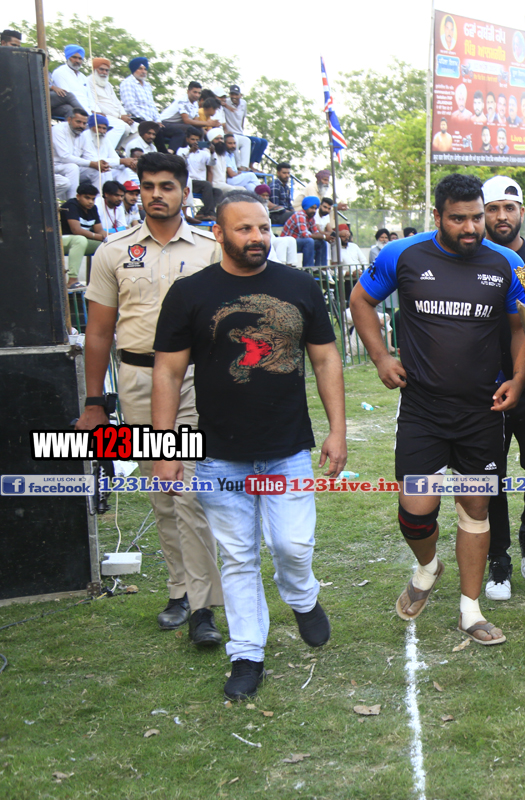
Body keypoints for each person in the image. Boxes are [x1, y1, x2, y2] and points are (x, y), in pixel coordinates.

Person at [151, 191, 344, 700]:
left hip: (287, 449)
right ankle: (247, 655)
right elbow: (167, 373)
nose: (257, 237)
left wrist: (337, 430)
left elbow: (326, 359)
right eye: (244, 229)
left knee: (292, 547)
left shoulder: (299, 285)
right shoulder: (190, 293)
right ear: (218, 233)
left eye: (263, 228)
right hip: (218, 456)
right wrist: (164, 448)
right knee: (238, 558)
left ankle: (302, 597)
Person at [349, 174, 525, 646]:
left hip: (481, 413)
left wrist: (517, 378)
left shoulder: (506, 262)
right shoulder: (403, 255)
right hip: (423, 411)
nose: (471, 228)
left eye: (477, 217)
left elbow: (520, 328)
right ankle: (428, 567)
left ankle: (471, 610)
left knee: (475, 508)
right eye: (458, 219)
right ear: (437, 216)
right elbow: (360, 300)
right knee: (416, 512)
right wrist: (380, 357)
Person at [78, 151, 224, 643]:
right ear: (137, 190)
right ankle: (179, 589)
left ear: (185, 192)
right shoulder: (112, 252)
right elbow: (99, 332)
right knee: (162, 490)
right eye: (147, 186)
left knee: (190, 490)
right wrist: (94, 401)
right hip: (138, 378)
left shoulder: (210, 249)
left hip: (196, 380)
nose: (156, 195)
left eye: (166, 186)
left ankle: (202, 605)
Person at [479, 176, 525, 601]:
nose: (501, 216)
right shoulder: (470, 259)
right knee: (489, 477)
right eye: (493, 208)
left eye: (509, 208)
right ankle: (498, 558)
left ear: (522, 212)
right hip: (483, 391)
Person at [59, 183, 104, 286]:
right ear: (78, 196)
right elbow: (76, 230)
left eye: (93, 199)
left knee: (108, 244)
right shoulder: (71, 205)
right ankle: (72, 280)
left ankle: (105, 281)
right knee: (80, 239)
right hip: (61, 241)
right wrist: (98, 236)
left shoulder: (93, 208)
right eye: (87, 198)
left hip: (80, 242)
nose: (90, 202)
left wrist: (113, 237)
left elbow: (99, 230)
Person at [52, 109, 100, 200]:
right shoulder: (58, 130)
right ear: (69, 120)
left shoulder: (82, 134)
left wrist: (98, 164)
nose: (81, 126)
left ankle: (97, 203)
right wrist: (91, 163)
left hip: (73, 168)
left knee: (97, 171)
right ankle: (73, 202)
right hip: (55, 168)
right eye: (78, 122)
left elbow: (89, 155)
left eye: (84, 123)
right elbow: (64, 157)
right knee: (72, 167)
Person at [88, 57, 134, 150]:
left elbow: (117, 102)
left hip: (115, 116)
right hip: (101, 114)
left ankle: (115, 151)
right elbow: (96, 103)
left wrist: (124, 115)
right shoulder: (89, 82)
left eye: (106, 70)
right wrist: (119, 116)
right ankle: (103, 152)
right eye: (101, 69)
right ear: (94, 69)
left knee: (136, 129)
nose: (104, 72)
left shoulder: (108, 85)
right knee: (120, 126)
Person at [160, 82, 217, 152]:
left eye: (199, 93)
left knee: (199, 130)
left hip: (177, 124)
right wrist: (207, 123)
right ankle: (184, 151)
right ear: (188, 91)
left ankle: (201, 150)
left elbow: (196, 121)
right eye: (195, 92)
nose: (197, 95)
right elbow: (186, 121)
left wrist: (208, 125)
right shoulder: (182, 101)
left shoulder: (195, 104)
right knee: (189, 128)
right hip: (164, 123)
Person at [177, 130, 216, 220]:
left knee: (218, 192)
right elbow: (180, 162)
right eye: (192, 139)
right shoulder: (182, 150)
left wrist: (213, 152)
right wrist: (189, 152)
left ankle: (201, 212)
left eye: (197, 140)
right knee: (207, 185)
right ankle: (209, 213)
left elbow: (212, 163)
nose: (195, 142)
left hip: (201, 184)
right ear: (187, 139)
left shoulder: (204, 153)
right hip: (188, 182)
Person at [281, 197, 329, 267]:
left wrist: (326, 237)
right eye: (312, 208)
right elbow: (305, 234)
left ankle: (320, 269)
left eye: (315, 209)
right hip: (288, 243)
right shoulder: (300, 215)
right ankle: (308, 268)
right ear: (306, 207)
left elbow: (316, 232)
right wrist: (324, 236)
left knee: (322, 242)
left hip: (298, 242)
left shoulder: (311, 218)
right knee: (309, 241)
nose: (314, 211)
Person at [49, 44, 93, 120]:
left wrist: (95, 111)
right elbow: (66, 96)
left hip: (88, 110)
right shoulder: (59, 72)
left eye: (80, 58)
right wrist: (85, 113)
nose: (77, 61)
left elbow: (90, 97)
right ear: (68, 57)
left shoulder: (83, 76)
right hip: (75, 107)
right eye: (74, 57)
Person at [80, 114, 119, 191]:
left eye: (104, 128)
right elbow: (92, 159)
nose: (101, 131)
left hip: (101, 168)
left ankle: (115, 196)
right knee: (102, 170)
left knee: (122, 171)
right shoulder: (84, 136)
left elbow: (115, 158)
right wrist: (121, 161)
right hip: (83, 169)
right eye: (98, 127)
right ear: (91, 127)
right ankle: (100, 197)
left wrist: (129, 163)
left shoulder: (105, 139)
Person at [119, 57, 158, 126]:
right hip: (136, 119)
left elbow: (152, 106)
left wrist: (158, 121)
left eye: (145, 69)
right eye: (140, 69)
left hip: (150, 121)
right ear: (134, 69)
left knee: (170, 130)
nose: (143, 71)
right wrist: (149, 120)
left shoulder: (147, 85)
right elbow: (130, 106)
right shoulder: (127, 83)